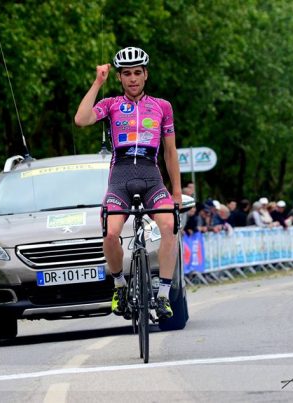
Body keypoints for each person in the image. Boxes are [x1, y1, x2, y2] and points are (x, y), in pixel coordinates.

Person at [74, 46, 181, 320]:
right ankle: (120, 285)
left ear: (145, 75)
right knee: (110, 233)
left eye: (137, 73)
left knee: (169, 226)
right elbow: (81, 119)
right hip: (120, 177)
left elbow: (169, 152)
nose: (132, 79)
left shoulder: (162, 107)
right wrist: (98, 82)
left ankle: (164, 296)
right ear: (120, 78)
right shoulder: (111, 105)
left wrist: (177, 191)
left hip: (152, 177)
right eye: (126, 74)